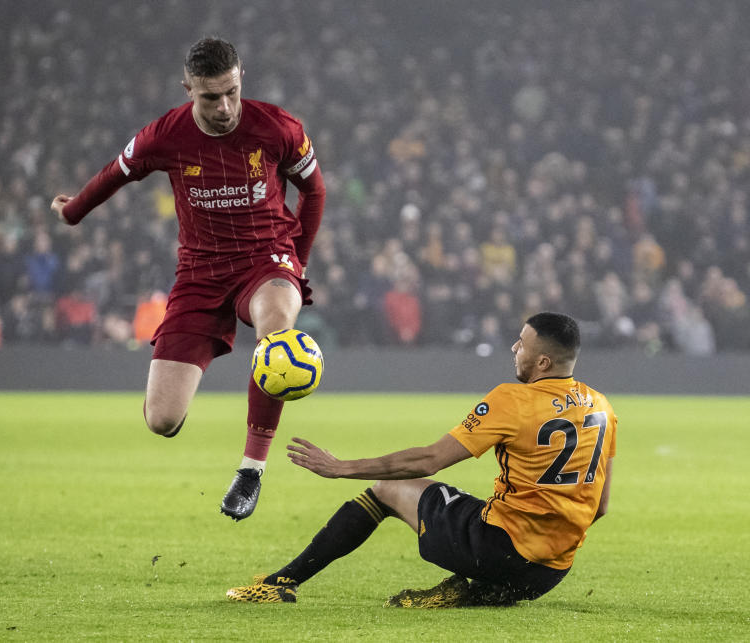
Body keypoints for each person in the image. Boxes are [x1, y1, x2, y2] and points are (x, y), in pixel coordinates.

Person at [50, 37, 325, 520]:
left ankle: (251, 469)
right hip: (199, 274)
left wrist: (296, 266)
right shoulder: (165, 136)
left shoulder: (279, 127)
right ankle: (187, 392)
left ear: (241, 80)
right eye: (210, 97)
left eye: (232, 93)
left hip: (267, 260)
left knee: (277, 336)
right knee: (161, 419)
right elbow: (115, 173)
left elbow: (314, 191)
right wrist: (72, 212)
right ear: (187, 90)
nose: (224, 107)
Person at [227, 312, 616, 607]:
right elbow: (599, 507)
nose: (515, 348)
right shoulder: (602, 408)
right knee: (478, 509)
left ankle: (280, 584)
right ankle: (477, 592)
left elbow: (430, 460)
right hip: (550, 574)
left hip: (499, 551)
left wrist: (342, 467)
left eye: (522, 343)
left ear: (543, 362)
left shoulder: (513, 400)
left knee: (388, 489)